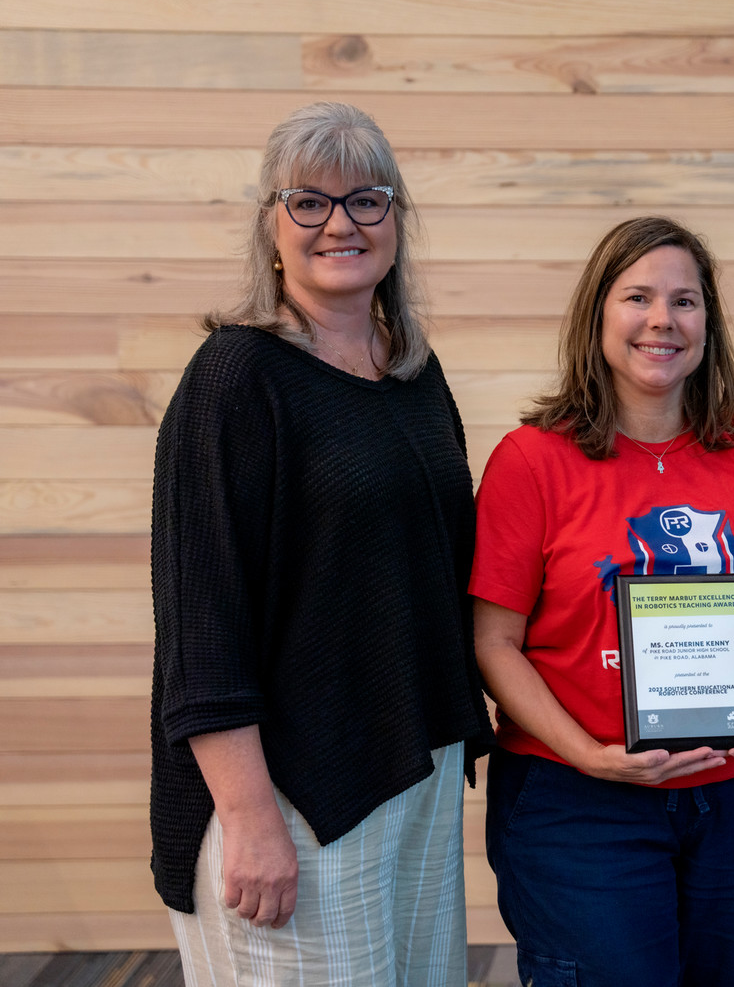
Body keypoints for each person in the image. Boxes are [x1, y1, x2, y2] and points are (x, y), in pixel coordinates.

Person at [148, 101, 493, 986]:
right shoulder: (235, 379)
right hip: (288, 792)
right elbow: (203, 623)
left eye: (366, 200)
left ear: (396, 223)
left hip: (407, 764)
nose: (340, 223)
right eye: (309, 202)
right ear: (271, 226)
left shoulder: (413, 369)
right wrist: (250, 815)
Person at [470, 216, 734, 987]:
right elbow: (494, 643)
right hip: (577, 802)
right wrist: (590, 754)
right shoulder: (532, 460)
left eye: (684, 301)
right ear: (599, 315)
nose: (662, 320)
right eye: (638, 297)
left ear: (708, 323)